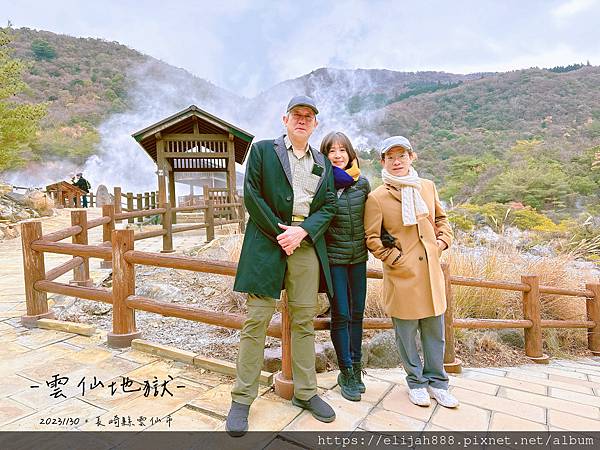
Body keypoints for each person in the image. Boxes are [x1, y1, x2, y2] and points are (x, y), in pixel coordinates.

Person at [226, 95, 337, 436]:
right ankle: (241, 399)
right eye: (296, 115)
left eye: (309, 116)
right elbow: (252, 196)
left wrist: (303, 231)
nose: (302, 120)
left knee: (304, 319)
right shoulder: (261, 151)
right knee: (256, 320)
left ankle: (305, 392)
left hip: (304, 245)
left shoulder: (323, 162)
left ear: (315, 124)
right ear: (285, 120)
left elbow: (329, 204)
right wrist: (281, 233)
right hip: (266, 243)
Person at [364, 136, 459, 409]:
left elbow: (442, 220)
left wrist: (441, 243)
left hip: (430, 274)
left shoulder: (427, 187)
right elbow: (372, 238)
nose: (397, 161)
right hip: (402, 276)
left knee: (435, 333)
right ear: (382, 162)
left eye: (402, 156)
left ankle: (438, 383)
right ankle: (416, 383)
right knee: (405, 335)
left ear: (411, 157)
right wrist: (396, 259)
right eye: (390, 157)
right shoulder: (377, 197)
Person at [320, 131, 370, 402]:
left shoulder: (362, 184)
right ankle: (346, 370)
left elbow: (372, 218)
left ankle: (357, 368)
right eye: (331, 151)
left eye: (342, 150)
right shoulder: (321, 183)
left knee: (357, 313)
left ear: (350, 153)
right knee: (340, 313)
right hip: (334, 259)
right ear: (324, 156)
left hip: (359, 258)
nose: (337, 155)